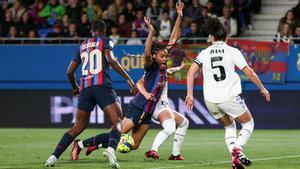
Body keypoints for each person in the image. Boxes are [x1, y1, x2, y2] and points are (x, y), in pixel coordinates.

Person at [70, 2, 188, 161]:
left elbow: (173, 38)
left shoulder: (162, 63)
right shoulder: (151, 65)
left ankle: (96, 145)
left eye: (166, 56)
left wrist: (179, 16)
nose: (166, 58)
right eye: (163, 56)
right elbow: (147, 52)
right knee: (118, 133)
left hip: (149, 110)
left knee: (134, 144)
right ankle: (81, 144)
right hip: (139, 106)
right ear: (154, 57)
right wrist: (151, 32)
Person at [44, 19, 136, 169]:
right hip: (101, 86)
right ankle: (111, 151)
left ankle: (52, 158)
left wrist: (75, 87)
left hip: (85, 88)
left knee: (77, 127)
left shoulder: (82, 45)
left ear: (91, 31)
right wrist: (129, 80)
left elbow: (70, 72)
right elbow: (111, 60)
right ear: (104, 31)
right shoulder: (106, 41)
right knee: (117, 121)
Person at [185, 19, 271, 169]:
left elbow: (191, 71)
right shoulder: (232, 51)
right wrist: (262, 88)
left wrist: (190, 94)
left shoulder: (204, 53)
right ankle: (238, 149)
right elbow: (249, 72)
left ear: (211, 37)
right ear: (226, 37)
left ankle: (235, 159)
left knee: (230, 127)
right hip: (228, 97)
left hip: (210, 100)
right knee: (248, 124)